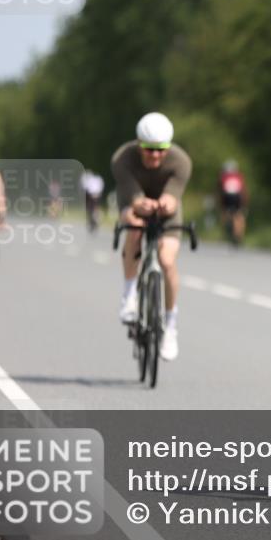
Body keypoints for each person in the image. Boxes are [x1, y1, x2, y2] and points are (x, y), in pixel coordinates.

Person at [111, 112, 192, 361]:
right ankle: (129, 296)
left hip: (165, 207)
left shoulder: (181, 161)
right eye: (149, 149)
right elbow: (132, 197)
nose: (155, 155)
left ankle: (170, 326)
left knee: (167, 260)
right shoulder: (122, 159)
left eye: (161, 150)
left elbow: (172, 196)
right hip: (134, 202)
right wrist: (138, 205)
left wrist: (166, 203)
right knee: (134, 229)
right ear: (138, 144)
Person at [218, 159, 248, 245]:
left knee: (225, 213)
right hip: (238, 197)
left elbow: (220, 190)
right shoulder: (239, 176)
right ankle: (238, 235)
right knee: (239, 215)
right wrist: (244, 202)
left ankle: (227, 229)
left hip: (227, 197)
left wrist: (221, 204)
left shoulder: (223, 176)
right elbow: (243, 190)